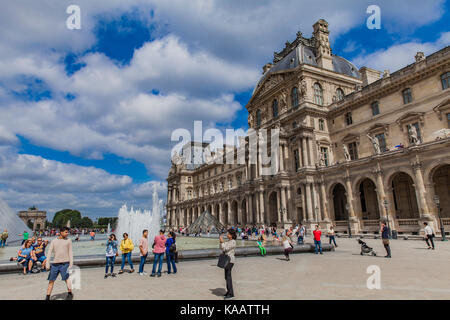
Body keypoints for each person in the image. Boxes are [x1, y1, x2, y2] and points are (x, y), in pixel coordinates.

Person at [45, 227, 74, 300]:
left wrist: (71, 263)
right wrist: (47, 263)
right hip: (55, 264)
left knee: (67, 279)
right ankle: (47, 296)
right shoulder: (54, 241)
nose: (67, 234)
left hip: (65, 263)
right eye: (66, 232)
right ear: (61, 232)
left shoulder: (69, 240)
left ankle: (70, 293)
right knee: (51, 281)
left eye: (67, 232)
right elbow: (49, 252)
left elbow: (70, 252)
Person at [220, 229, 236, 299]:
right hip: (227, 260)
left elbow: (225, 249)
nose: (227, 234)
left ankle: (231, 294)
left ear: (231, 235)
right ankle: (228, 291)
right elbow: (222, 248)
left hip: (230, 261)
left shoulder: (233, 242)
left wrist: (222, 242)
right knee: (226, 277)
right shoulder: (228, 241)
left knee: (228, 276)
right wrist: (221, 242)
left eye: (228, 233)